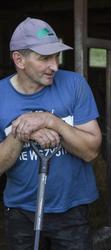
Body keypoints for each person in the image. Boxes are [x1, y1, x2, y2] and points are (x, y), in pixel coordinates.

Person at [0, 17, 102, 249]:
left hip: (71, 210)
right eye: (44, 58)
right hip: (21, 212)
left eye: (56, 56)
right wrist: (21, 131)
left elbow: (91, 151)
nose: (54, 65)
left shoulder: (74, 84)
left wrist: (51, 121)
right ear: (19, 59)